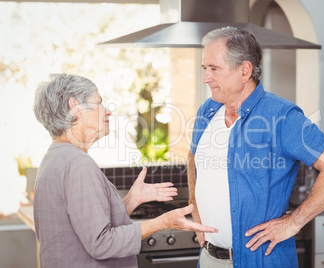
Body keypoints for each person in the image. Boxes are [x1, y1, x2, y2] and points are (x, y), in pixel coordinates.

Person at [187, 26, 324, 267]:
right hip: (209, 258)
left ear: (244, 70)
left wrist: (294, 222)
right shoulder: (209, 109)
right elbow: (193, 158)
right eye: (205, 68)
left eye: (214, 69)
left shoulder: (282, 116)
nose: (206, 77)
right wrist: (195, 207)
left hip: (260, 261)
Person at [33, 73, 217, 268]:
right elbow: (102, 243)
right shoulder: (78, 164)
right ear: (75, 107)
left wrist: (131, 200)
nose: (107, 112)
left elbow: (86, 226)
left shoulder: (54, 158)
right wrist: (162, 222)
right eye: (99, 103)